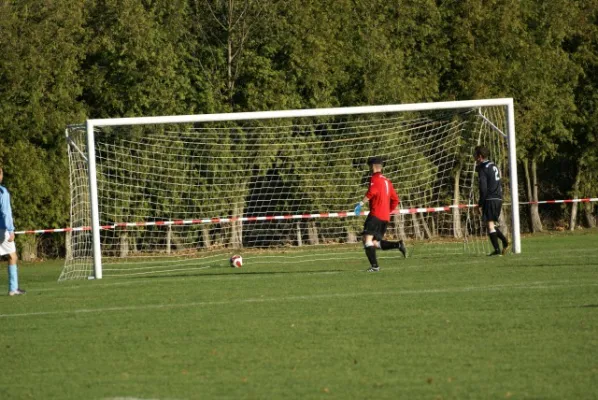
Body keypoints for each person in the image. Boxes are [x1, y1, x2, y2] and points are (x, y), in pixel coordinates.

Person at [354, 157, 406, 272]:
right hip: (385, 217)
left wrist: (360, 204)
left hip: (375, 215)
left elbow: (371, 192)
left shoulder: (375, 178)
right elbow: (396, 200)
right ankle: (398, 245)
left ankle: (375, 267)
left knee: (367, 240)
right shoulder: (388, 181)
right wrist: (388, 211)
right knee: (374, 242)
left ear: (372, 167)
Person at [473, 146, 509, 256]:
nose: (473, 156)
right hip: (498, 198)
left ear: (479, 156)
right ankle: (504, 242)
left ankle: (498, 249)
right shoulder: (493, 165)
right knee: (491, 223)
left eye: (475, 154)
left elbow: (483, 188)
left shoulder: (483, 168)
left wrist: (480, 203)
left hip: (490, 198)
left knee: (489, 224)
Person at [0, 167, 25, 296]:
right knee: (12, 256)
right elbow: (5, 213)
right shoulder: (2, 192)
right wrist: (11, 230)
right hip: (2, 229)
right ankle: (13, 289)